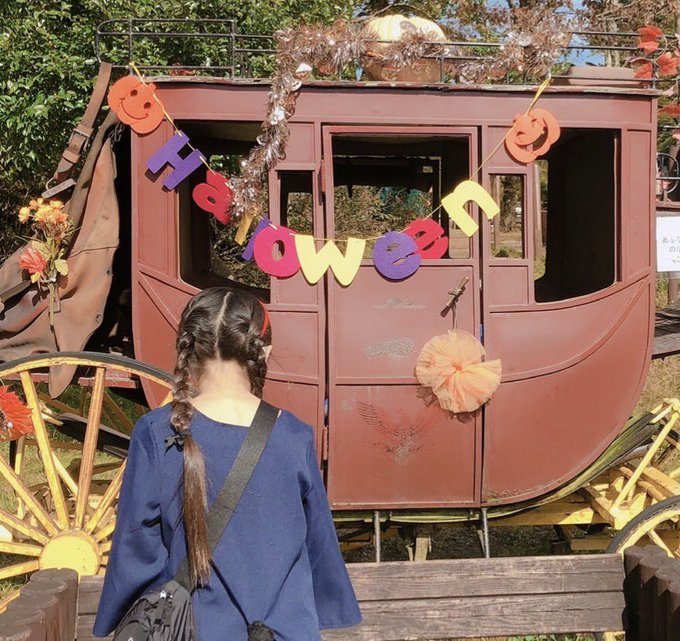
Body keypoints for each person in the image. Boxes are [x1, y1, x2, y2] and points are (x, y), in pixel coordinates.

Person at [93, 287, 362, 641]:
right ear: (264, 351)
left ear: (187, 349)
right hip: (285, 631)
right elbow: (318, 546)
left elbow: (136, 546)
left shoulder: (156, 432)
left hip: (197, 629)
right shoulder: (295, 436)